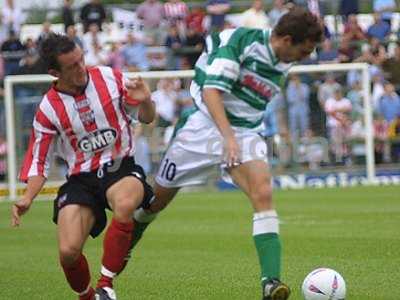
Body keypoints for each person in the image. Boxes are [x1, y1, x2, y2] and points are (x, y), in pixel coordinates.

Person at [129, 8, 323, 300]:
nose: (305, 57)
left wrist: (239, 137)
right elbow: (211, 91)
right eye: (304, 50)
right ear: (284, 39)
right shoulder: (241, 43)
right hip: (203, 126)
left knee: (263, 194)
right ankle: (128, 238)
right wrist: (227, 138)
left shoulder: (285, 60)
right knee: (155, 202)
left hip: (246, 132)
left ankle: (271, 283)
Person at [10, 33, 155, 300]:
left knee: (124, 205)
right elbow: (39, 160)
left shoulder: (109, 77)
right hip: (81, 180)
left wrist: (145, 100)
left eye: (81, 60)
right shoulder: (47, 108)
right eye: (72, 66)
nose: (81, 68)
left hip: (120, 167)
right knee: (68, 252)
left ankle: (106, 284)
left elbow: (147, 117)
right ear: (55, 73)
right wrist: (27, 198)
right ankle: (89, 297)